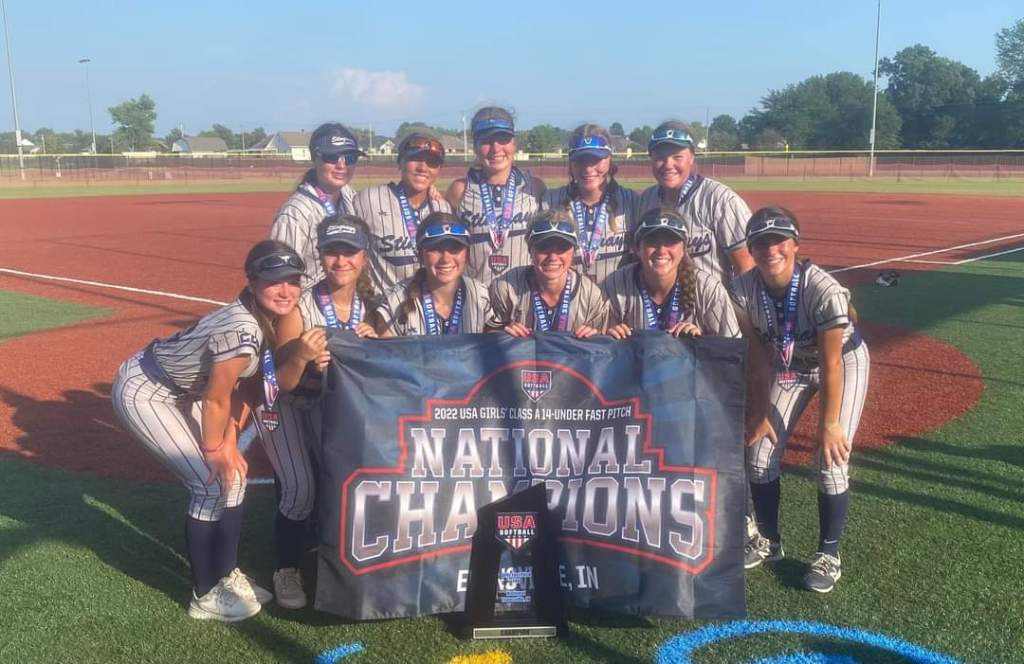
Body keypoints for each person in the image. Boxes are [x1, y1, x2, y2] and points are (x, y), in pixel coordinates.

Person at [111, 240, 306, 621]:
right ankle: (204, 594)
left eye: (293, 280)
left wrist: (231, 443)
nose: (285, 289)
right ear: (252, 283)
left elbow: (244, 390)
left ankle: (226, 574)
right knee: (209, 482)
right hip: (146, 390)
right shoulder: (244, 328)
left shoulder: (267, 316)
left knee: (233, 479)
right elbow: (218, 399)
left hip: (184, 389)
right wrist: (216, 448)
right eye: (273, 281)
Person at [731, 206, 870, 593]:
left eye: (778, 241)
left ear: (795, 244)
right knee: (759, 453)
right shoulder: (742, 289)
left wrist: (829, 425)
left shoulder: (821, 289)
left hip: (842, 360)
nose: (769, 249)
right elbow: (757, 356)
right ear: (751, 248)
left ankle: (829, 554)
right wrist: (760, 413)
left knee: (831, 459)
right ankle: (770, 541)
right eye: (760, 242)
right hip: (789, 365)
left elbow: (831, 365)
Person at [261, 215, 378, 609]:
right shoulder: (302, 303)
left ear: (364, 256)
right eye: (332, 251)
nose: (341, 260)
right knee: (300, 489)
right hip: (289, 406)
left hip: (337, 410)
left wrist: (381, 341)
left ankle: (335, 555)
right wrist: (301, 355)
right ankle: (286, 568)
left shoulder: (375, 304)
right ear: (321, 255)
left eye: (349, 252)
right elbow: (282, 382)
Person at [638, 120, 754, 289]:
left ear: (691, 158)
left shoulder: (720, 199)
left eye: (677, 156)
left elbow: (747, 268)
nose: (668, 165)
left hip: (711, 309)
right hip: (660, 309)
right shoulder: (646, 200)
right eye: (660, 158)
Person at [602, 208, 740, 339]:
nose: (661, 250)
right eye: (652, 241)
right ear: (637, 248)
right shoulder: (615, 285)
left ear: (684, 249)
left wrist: (700, 342)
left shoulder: (708, 289)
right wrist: (607, 338)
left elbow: (732, 352)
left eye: (670, 241)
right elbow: (594, 349)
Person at [446, 107, 546, 285]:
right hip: (476, 298)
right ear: (475, 146)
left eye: (503, 139)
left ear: (514, 144)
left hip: (523, 296)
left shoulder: (535, 187)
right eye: (486, 141)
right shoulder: (459, 190)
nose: (496, 148)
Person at [354, 130, 453, 291]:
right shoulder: (368, 200)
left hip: (427, 309)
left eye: (432, 162)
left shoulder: (442, 208)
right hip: (383, 309)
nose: (423, 167)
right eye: (415, 159)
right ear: (400, 162)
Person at [271, 123, 366, 289]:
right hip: (309, 309)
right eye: (332, 157)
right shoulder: (295, 213)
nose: (342, 165)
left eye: (350, 158)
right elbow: (280, 276)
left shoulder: (352, 198)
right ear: (315, 158)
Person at [487, 210, 608, 338]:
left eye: (562, 247)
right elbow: (484, 333)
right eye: (543, 247)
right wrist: (501, 331)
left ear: (574, 252)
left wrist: (596, 337)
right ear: (530, 250)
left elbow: (603, 347)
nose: (553, 257)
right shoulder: (506, 288)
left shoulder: (590, 295)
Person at [543, 124, 639, 284]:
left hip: (619, 301)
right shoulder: (550, 200)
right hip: (570, 302)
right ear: (571, 164)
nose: (588, 168)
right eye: (581, 161)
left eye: (595, 159)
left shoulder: (631, 201)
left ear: (609, 159)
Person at [375, 212, 491, 337]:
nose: (446, 258)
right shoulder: (396, 301)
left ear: (467, 254)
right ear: (420, 255)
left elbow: (498, 344)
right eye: (436, 248)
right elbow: (387, 353)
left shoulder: (480, 295)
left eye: (455, 248)